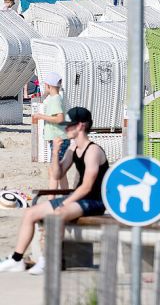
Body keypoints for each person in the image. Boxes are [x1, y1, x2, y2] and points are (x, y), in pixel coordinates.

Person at [0, 107, 108, 274]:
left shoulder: (93, 151)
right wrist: (56, 151)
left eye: (69, 125)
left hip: (93, 201)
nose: (66, 129)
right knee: (30, 213)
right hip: (77, 199)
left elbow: (87, 187)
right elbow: (58, 174)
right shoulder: (73, 149)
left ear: (80, 126)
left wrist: (64, 202)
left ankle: (48, 259)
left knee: (57, 215)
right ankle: (16, 259)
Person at [33, 72, 68, 190]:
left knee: (54, 171)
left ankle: (52, 197)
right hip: (59, 137)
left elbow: (59, 118)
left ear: (48, 86)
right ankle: (65, 195)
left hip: (58, 139)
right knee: (60, 172)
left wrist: (41, 116)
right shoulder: (57, 97)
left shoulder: (55, 99)